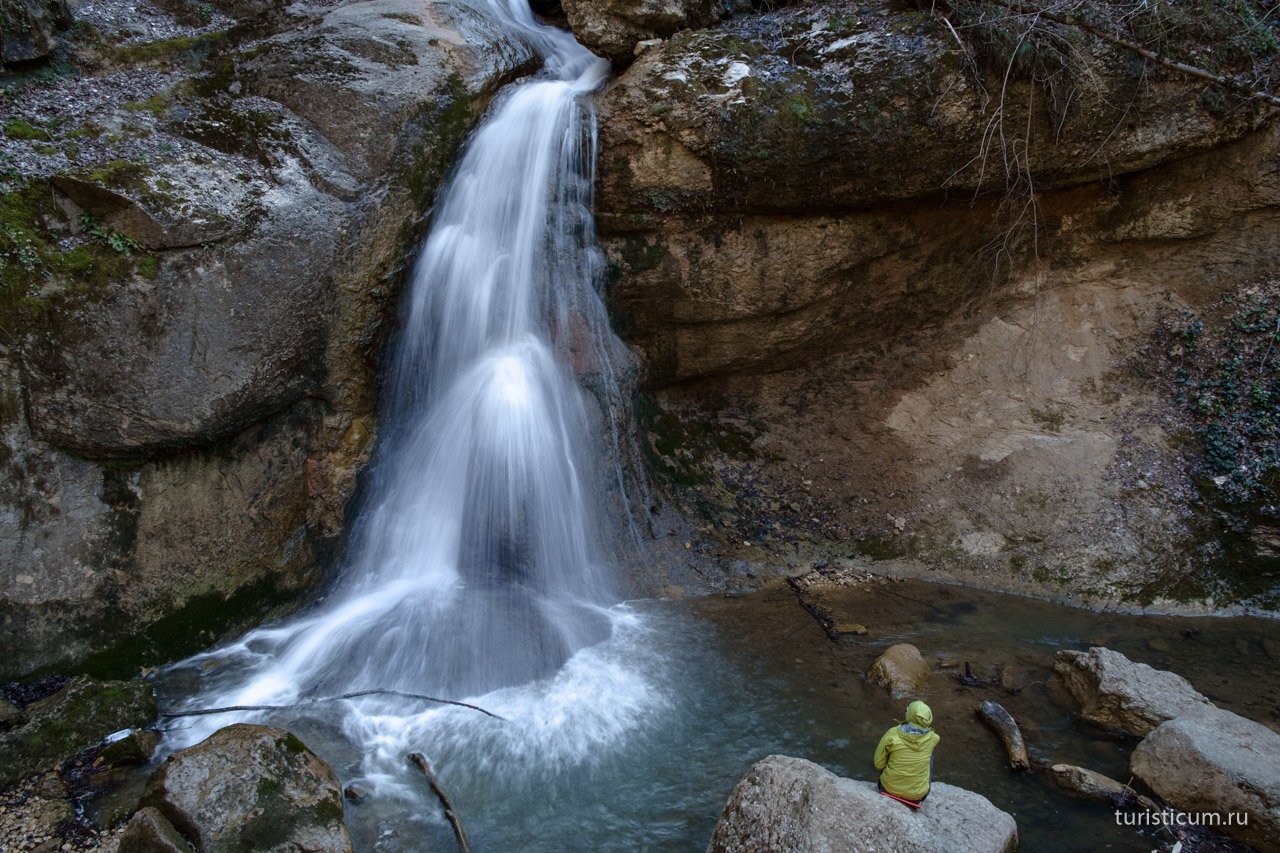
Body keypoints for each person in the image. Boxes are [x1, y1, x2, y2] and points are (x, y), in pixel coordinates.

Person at [873, 700, 939, 805]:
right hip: (916, 797)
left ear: (911, 715)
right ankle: (915, 789)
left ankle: (894, 781)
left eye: (907, 710)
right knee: (929, 755)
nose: (906, 712)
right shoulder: (934, 738)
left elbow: (878, 764)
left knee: (891, 751)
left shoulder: (893, 733)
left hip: (888, 789)